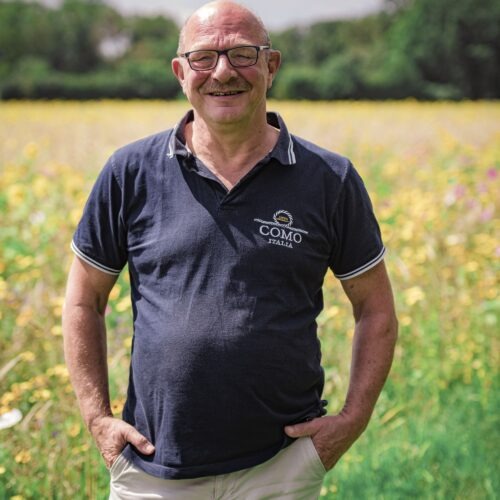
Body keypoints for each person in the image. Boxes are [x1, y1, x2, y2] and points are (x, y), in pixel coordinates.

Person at [62, 1, 398, 498]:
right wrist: (97, 420)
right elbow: (82, 300)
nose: (222, 72)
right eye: (203, 57)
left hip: (280, 468)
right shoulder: (129, 172)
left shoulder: (330, 179)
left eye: (243, 54)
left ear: (271, 66)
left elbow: (376, 308)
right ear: (181, 73)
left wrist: (352, 420)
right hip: (152, 469)